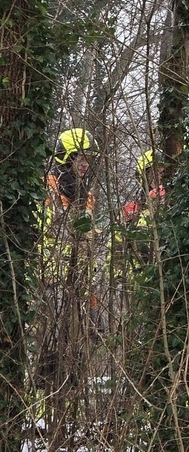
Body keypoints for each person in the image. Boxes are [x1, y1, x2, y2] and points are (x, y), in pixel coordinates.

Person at [35, 128, 103, 422]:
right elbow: (41, 233)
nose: (85, 163)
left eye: (88, 158)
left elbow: (88, 241)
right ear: (66, 157)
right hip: (50, 279)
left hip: (78, 281)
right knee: (48, 348)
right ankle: (41, 411)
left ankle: (70, 414)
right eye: (79, 157)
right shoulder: (47, 188)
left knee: (78, 346)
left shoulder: (86, 196)